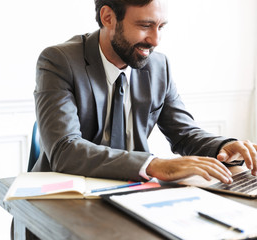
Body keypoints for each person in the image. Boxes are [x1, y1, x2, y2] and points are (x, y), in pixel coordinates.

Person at [32, 0, 257, 183]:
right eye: (144, 26)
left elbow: (184, 133)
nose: (156, 40)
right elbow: (65, 151)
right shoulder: (59, 61)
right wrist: (152, 164)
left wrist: (224, 146)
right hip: (61, 195)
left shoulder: (159, 66)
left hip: (130, 191)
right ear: (108, 17)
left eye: (161, 27)